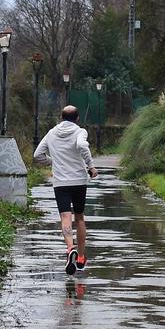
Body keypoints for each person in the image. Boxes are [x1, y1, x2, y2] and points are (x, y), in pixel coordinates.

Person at [34, 105, 98, 274]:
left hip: (61, 182)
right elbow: (82, 146)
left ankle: (70, 248)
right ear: (77, 119)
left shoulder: (51, 133)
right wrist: (91, 167)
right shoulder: (80, 132)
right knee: (80, 218)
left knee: (65, 216)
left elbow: (37, 155)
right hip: (78, 180)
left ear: (61, 118)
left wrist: (53, 161)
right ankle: (81, 256)